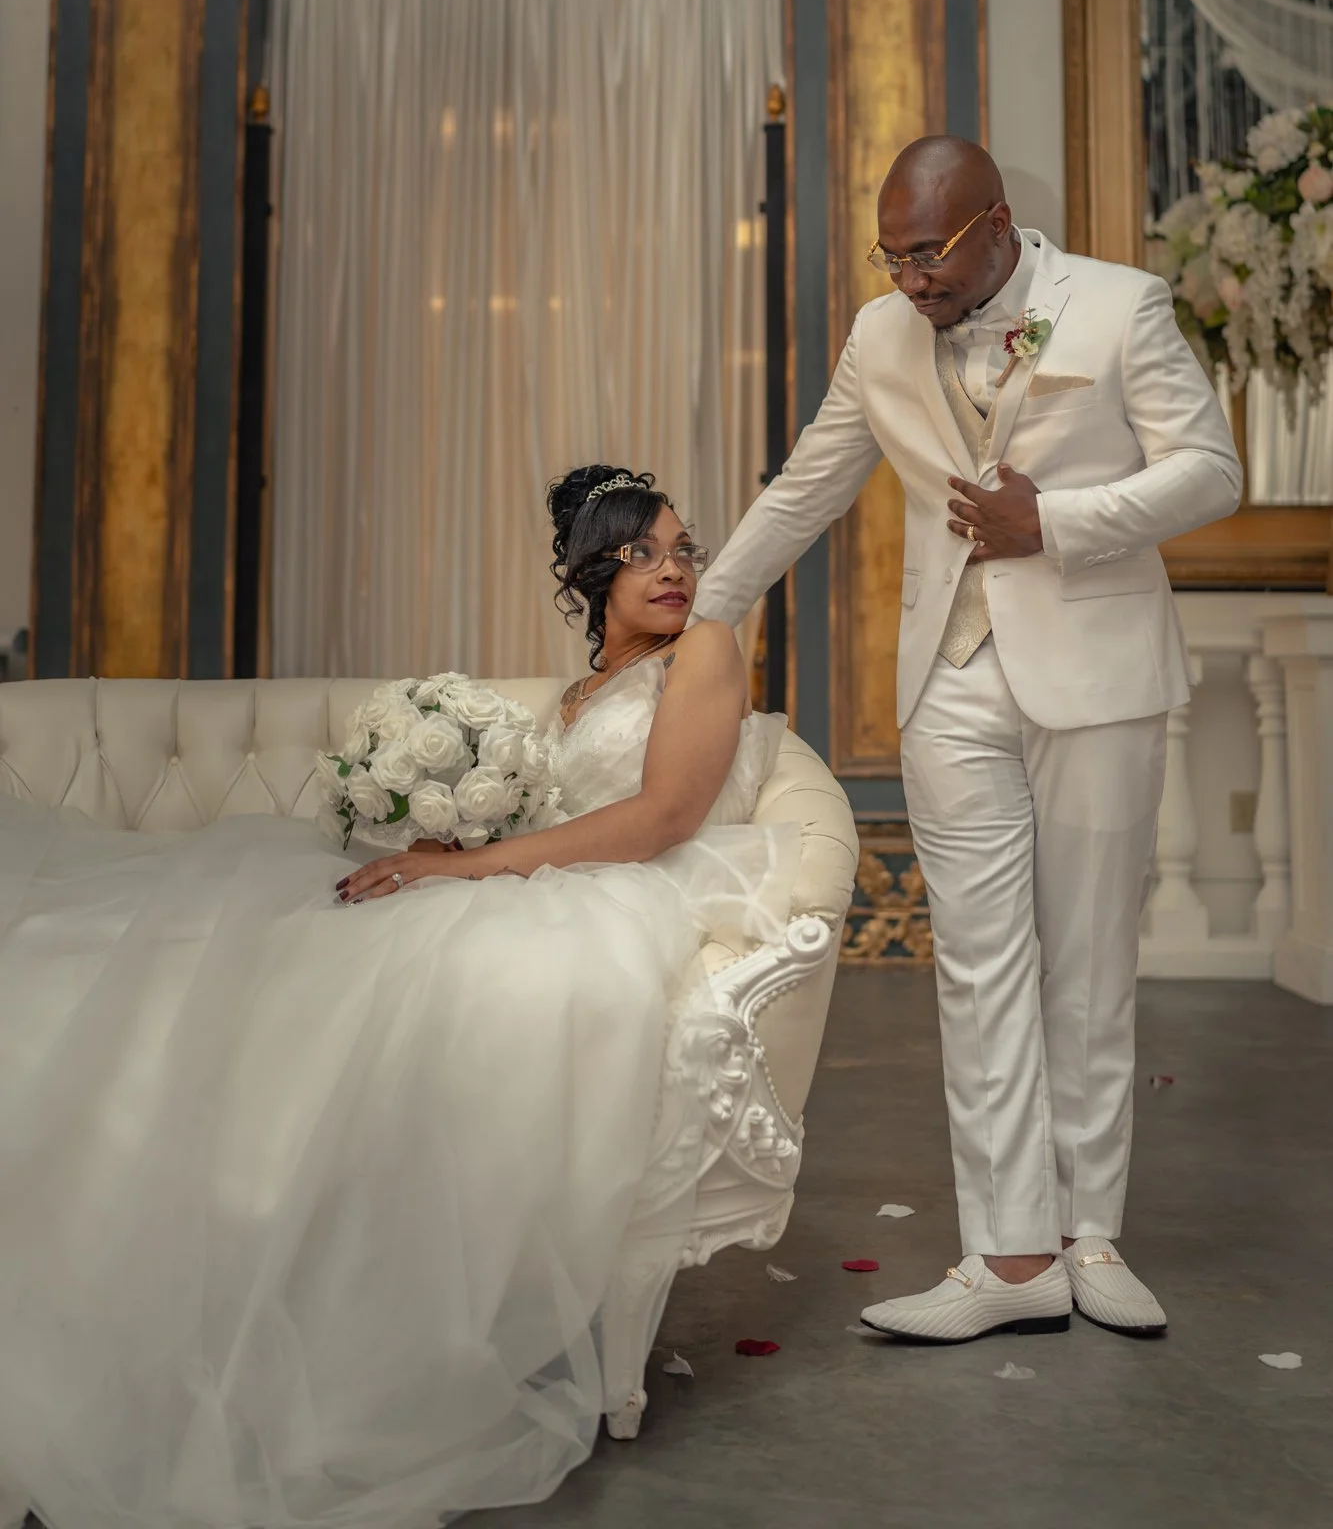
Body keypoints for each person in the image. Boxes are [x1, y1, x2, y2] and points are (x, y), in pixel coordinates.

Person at [0, 467, 799, 1529]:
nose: (674, 570)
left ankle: (340, 1306)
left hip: (622, 893)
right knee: (287, 947)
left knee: (408, 971)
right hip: (548, 877)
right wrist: (448, 843)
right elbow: (553, 812)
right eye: (644, 552)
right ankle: (229, 1234)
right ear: (589, 570)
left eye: (683, 548)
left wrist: (464, 870)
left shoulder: (706, 647)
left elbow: (658, 818)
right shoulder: (576, 693)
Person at [693, 135, 1243, 1343]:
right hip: (951, 675)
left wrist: (1056, 522)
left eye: (925, 253)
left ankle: (1089, 1231)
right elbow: (806, 486)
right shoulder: (880, 334)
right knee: (979, 963)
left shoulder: (1117, 304)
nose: (907, 280)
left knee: (1086, 958)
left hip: (1094, 674)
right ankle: (1008, 1257)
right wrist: (709, 608)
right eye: (887, 255)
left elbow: (1210, 472)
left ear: (994, 221)